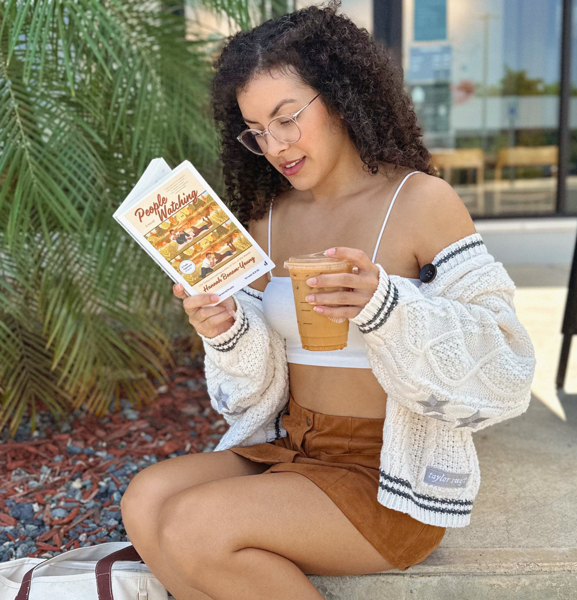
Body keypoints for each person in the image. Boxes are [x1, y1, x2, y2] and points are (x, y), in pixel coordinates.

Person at [121, 2, 536, 599]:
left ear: (340, 97)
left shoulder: (421, 202)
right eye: (257, 130)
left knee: (194, 526)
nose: (275, 145)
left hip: (385, 474)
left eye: (287, 118)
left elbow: (507, 362)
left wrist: (386, 305)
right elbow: (255, 385)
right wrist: (227, 327)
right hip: (294, 445)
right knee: (145, 499)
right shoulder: (266, 219)